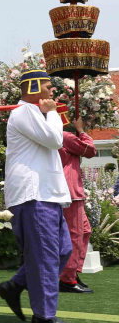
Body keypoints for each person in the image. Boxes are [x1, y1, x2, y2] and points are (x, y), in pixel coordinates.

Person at [0, 70, 77, 323]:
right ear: (32, 88)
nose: (52, 91)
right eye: (47, 86)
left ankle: (16, 285)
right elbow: (54, 140)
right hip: (34, 194)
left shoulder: (33, 113)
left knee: (62, 250)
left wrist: (49, 113)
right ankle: (43, 316)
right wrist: (53, 112)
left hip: (45, 193)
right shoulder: (24, 112)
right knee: (45, 257)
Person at [58, 113, 97, 294]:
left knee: (84, 231)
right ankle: (67, 279)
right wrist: (81, 130)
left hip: (68, 189)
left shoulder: (56, 136)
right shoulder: (64, 136)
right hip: (70, 191)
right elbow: (90, 150)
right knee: (74, 235)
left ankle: (72, 272)